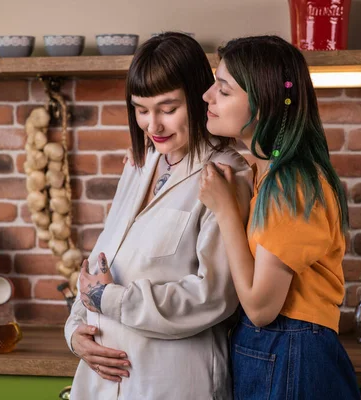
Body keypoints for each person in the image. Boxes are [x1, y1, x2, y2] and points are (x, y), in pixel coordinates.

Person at [64, 32, 252, 400]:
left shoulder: (226, 174)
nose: (153, 126)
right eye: (141, 109)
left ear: (200, 98)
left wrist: (110, 300)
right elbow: (104, 260)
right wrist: (74, 332)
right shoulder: (139, 165)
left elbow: (213, 296)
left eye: (168, 109)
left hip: (174, 382)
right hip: (103, 384)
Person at [198, 35, 361, 399]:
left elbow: (260, 308)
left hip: (291, 350)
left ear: (265, 104)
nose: (208, 96)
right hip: (274, 350)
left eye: (223, 91)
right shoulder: (264, 175)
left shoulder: (292, 184)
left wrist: (226, 212)